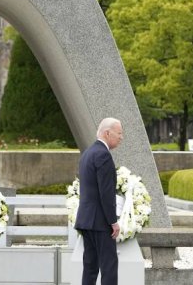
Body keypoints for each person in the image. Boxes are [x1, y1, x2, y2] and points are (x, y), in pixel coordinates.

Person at [75, 117, 123, 285]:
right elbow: (106, 192)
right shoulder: (103, 155)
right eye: (119, 133)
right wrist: (113, 221)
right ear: (107, 133)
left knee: (90, 266)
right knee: (109, 266)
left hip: (86, 220)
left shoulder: (87, 153)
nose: (121, 137)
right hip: (100, 222)